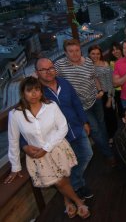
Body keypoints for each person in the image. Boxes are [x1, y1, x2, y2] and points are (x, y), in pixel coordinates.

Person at [5, 77, 90, 219]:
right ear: (23, 93)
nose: (34, 94)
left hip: (56, 148)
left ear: (41, 91)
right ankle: (78, 201)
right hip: (38, 156)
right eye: (29, 91)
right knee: (59, 181)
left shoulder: (51, 106)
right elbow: (13, 140)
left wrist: (46, 147)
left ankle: (66, 200)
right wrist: (15, 167)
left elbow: (62, 127)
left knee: (63, 177)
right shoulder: (15, 115)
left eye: (37, 90)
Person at [34, 58, 94, 200]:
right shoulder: (36, 92)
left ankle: (73, 184)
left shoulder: (64, 83)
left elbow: (76, 102)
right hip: (58, 138)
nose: (48, 72)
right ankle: (77, 187)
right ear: (37, 73)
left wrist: (84, 122)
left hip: (76, 127)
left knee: (87, 154)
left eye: (51, 68)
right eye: (44, 69)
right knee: (66, 164)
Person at [55, 39, 114, 163]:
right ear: (65, 53)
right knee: (95, 130)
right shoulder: (60, 65)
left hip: (95, 99)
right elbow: (47, 74)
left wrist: (100, 91)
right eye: (71, 51)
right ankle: (109, 154)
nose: (75, 54)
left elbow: (94, 78)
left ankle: (107, 144)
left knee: (102, 124)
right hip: (80, 106)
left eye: (77, 50)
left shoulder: (88, 61)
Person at [88, 45, 117, 143]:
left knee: (111, 117)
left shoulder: (105, 64)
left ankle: (114, 137)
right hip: (96, 96)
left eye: (97, 54)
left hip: (107, 94)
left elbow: (110, 81)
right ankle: (108, 137)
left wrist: (109, 98)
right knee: (102, 119)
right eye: (93, 54)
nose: (95, 56)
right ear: (89, 54)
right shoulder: (88, 67)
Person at [109, 42, 124, 118]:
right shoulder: (112, 63)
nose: (115, 51)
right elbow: (114, 80)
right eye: (113, 50)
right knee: (122, 111)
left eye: (117, 49)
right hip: (119, 90)